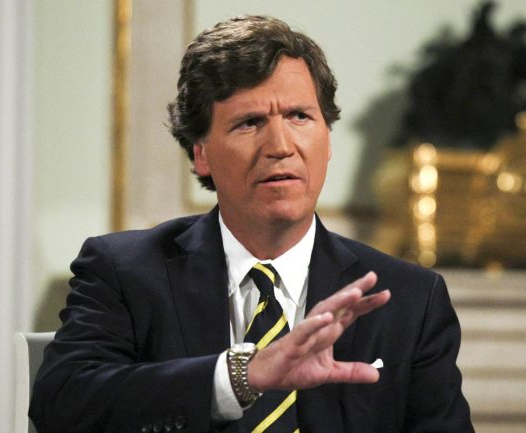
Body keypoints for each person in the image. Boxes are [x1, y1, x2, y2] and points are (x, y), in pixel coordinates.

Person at [30, 15, 474, 433]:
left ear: (327, 140)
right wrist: (241, 375)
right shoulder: (125, 272)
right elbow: (62, 403)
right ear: (201, 153)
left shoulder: (409, 300)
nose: (280, 145)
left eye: (299, 116)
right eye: (249, 122)